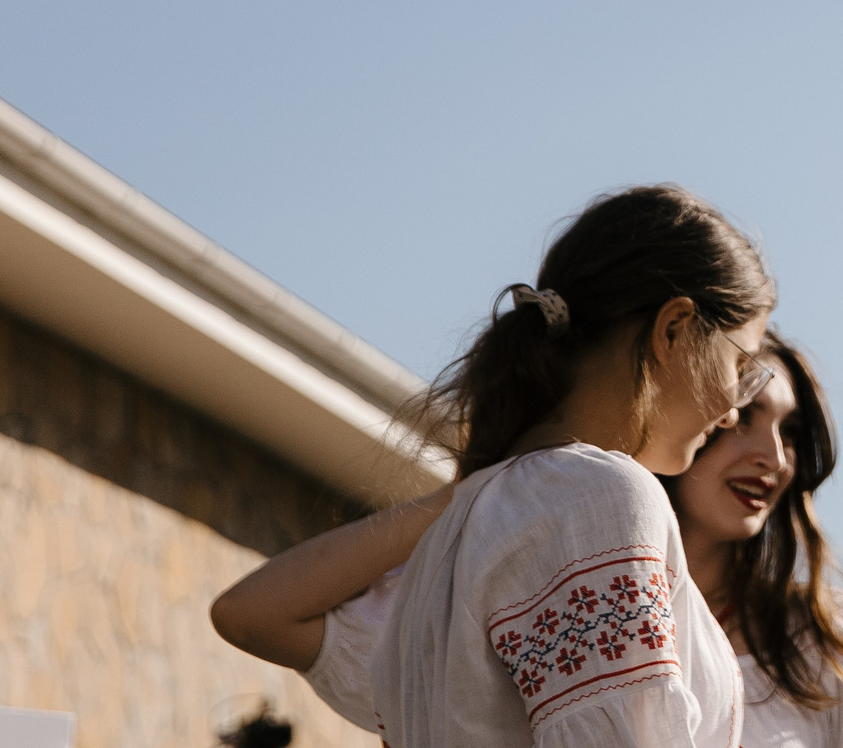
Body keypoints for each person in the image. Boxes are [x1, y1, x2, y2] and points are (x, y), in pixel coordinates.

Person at [209, 185, 777, 748]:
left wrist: (475, 491)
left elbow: (253, 614)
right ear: (673, 329)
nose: (733, 410)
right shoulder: (600, 496)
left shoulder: (470, 536)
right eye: (741, 364)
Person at [664, 331, 843, 748]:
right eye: (743, 416)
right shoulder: (583, 614)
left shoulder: (833, 636)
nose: (775, 457)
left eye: (790, 431)